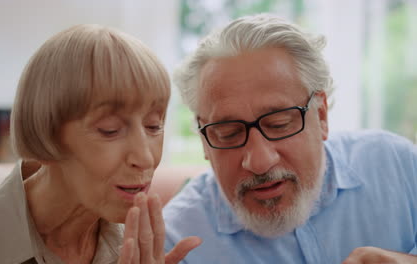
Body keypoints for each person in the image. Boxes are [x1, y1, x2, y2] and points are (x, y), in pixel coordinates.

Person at [163, 14, 417, 263]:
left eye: (279, 124)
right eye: (228, 133)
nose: (260, 162)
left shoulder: (398, 165)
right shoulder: (174, 244)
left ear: (321, 115)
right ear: (203, 138)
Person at [0, 24, 200, 263]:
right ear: (46, 130)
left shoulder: (140, 251)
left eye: (154, 126)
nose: (145, 157)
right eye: (110, 130)